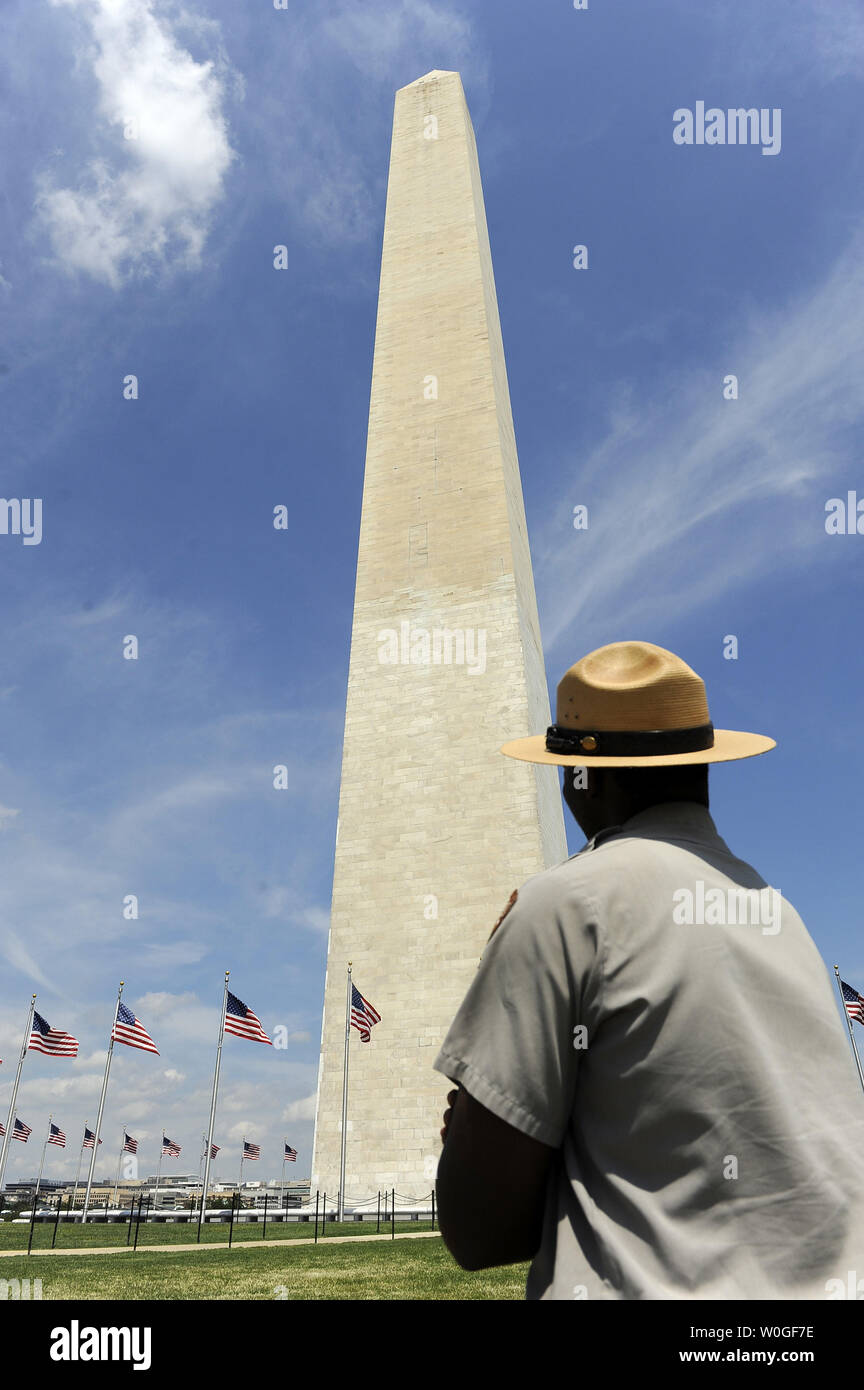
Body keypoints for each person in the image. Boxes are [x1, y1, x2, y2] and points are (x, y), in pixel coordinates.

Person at [433, 640, 864, 1299]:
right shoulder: (783, 916)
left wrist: (471, 1104)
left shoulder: (567, 905)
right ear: (702, 765)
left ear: (584, 777)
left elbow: (480, 1234)